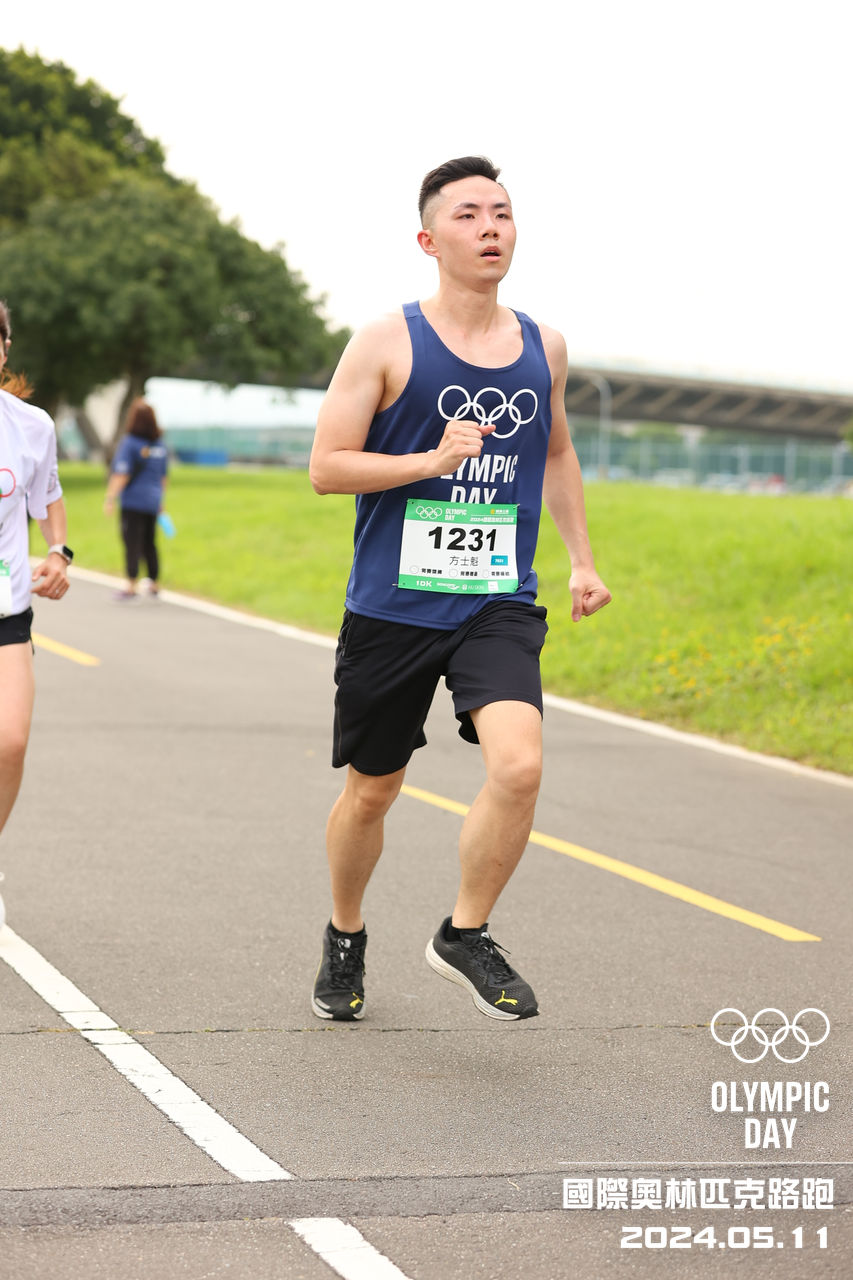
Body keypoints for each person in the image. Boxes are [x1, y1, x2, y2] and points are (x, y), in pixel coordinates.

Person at [308, 157, 611, 1023]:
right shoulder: (385, 341)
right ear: (427, 239)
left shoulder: (545, 347)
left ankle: (463, 931)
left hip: (496, 599)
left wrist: (581, 560)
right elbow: (327, 467)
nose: (490, 228)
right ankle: (345, 932)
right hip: (393, 606)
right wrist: (430, 462)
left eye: (502, 213)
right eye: (469, 214)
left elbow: (555, 451)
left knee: (519, 765)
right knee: (372, 791)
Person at [0, 299, 73, 929]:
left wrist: (58, 552)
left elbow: (48, 495)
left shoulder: (30, 426)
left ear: (4, 348)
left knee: (10, 741)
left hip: (6, 606)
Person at [104, 399, 168, 599]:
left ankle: (131, 584)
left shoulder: (130, 443)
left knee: (132, 541)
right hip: (153, 501)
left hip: (133, 501)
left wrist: (110, 498)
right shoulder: (160, 445)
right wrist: (160, 500)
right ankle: (154, 582)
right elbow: (163, 477)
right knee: (150, 542)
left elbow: (121, 474)